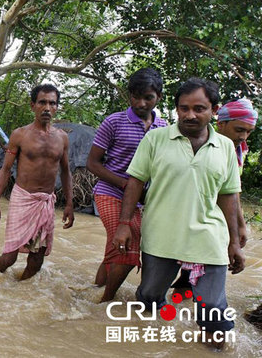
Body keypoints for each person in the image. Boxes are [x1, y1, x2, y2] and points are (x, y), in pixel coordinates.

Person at [113, 78, 244, 346]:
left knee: (213, 312)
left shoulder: (226, 148)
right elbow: (136, 181)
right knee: (149, 299)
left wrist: (234, 241)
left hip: (209, 238)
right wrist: (124, 223)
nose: (190, 115)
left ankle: (211, 350)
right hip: (162, 235)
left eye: (199, 108)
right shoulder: (156, 139)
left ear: (214, 110)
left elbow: (229, 196)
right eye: (183, 108)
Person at [86, 68, 168, 302]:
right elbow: (92, 163)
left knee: (117, 243)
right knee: (126, 245)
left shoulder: (163, 128)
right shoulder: (114, 122)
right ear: (129, 95)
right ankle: (105, 301)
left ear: (159, 97)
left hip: (141, 199)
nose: (141, 103)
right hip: (110, 191)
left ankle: (93, 289)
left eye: (148, 98)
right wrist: (124, 183)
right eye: (135, 96)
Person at [0, 84, 74, 280]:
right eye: (42, 102)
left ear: (57, 107)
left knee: (37, 259)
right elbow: (5, 170)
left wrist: (69, 203)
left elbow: (66, 172)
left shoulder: (62, 138)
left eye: (52, 103)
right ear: (32, 106)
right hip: (23, 198)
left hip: (46, 201)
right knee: (10, 256)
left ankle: (20, 293)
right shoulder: (20, 134)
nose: (47, 108)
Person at [171, 97, 257, 294]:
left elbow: (231, 193)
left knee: (193, 276)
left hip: (211, 225)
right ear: (221, 123)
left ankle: (178, 316)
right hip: (188, 220)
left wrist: (239, 227)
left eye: (248, 132)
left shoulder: (237, 151)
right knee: (174, 274)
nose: (244, 136)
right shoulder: (200, 145)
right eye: (239, 130)